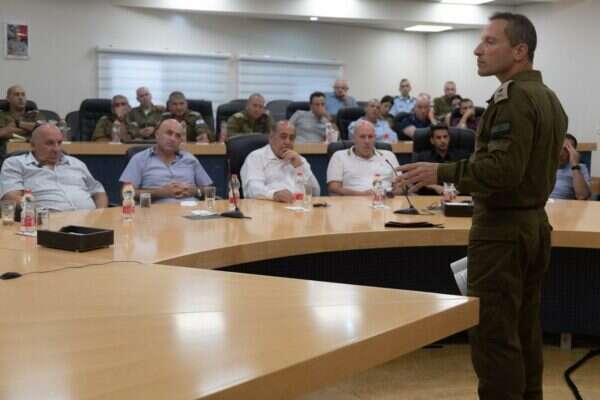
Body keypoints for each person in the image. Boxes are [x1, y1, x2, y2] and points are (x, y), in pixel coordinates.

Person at [398, 13, 568, 400]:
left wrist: (441, 171)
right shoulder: (548, 98)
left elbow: (503, 170)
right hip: (532, 226)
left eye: (490, 42)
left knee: (495, 338)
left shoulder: (514, 99)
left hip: (502, 232)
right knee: (524, 331)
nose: (478, 50)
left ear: (520, 51)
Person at [0, 124, 108, 211]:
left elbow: (98, 192)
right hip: (46, 223)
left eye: (59, 143)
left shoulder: (76, 163)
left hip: (89, 222)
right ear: (33, 145)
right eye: (49, 143)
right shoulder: (15, 163)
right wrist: (40, 212)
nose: (56, 149)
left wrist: (99, 214)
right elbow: (11, 197)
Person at [119, 119, 213, 204]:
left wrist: (195, 191)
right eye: (169, 133)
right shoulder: (140, 159)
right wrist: (159, 193)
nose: (173, 139)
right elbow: (126, 193)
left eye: (177, 136)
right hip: (156, 213)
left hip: (191, 211)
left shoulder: (190, 159)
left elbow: (210, 190)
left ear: (180, 141)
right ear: (157, 135)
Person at [241, 120, 320, 202]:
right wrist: (275, 195)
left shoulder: (299, 159)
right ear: (271, 138)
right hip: (267, 207)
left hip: (297, 207)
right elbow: (252, 189)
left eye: (291, 138)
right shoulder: (256, 157)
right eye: (283, 137)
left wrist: (300, 167)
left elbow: (316, 192)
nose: (287, 142)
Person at [327, 120, 400, 196]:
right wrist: (362, 194)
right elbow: (334, 188)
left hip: (386, 201)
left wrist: (388, 194)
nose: (367, 141)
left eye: (370, 137)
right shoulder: (339, 156)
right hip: (352, 202)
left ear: (375, 138)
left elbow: (400, 186)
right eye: (362, 137)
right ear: (353, 138)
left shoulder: (389, 156)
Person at [412, 124, 469, 195]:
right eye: (438, 138)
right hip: (430, 197)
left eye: (445, 137)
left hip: (458, 197)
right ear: (432, 140)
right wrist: (434, 186)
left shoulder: (462, 156)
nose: (443, 140)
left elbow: (469, 178)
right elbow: (415, 179)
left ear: (449, 138)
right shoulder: (423, 157)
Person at [0, 85, 46, 155]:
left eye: (23, 95)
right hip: (9, 152)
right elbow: (2, 133)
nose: (21, 98)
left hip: (34, 151)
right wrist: (32, 129)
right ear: (8, 99)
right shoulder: (2, 115)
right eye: (16, 95)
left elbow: (44, 129)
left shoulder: (35, 114)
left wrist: (17, 124)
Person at [550, 134, 591, 200]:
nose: (561, 153)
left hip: (564, 205)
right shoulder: (543, 166)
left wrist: (574, 165)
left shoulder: (579, 167)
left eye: (566, 150)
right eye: (559, 148)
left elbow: (582, 196)